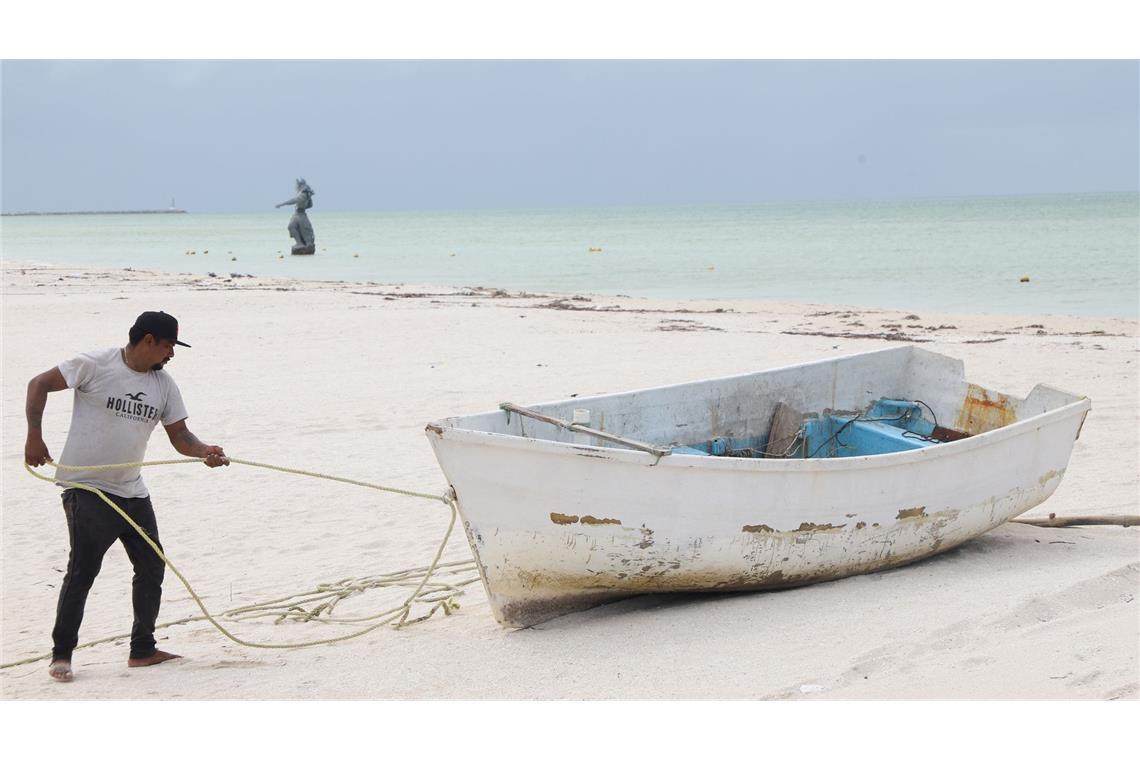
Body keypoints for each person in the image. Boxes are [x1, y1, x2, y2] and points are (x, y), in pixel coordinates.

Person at [24, 311, 229, 683]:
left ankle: (143, 650)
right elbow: (38, 383)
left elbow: (181, 437)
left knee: (152, 566)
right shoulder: (94, 363)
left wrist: (205, 452)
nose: (171, 354)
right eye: (169, 346)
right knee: (84, 570)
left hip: (132, 489)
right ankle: (62, 655)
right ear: (149, 340)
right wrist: (34, 436)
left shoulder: (164, 385)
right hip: (87, 488)